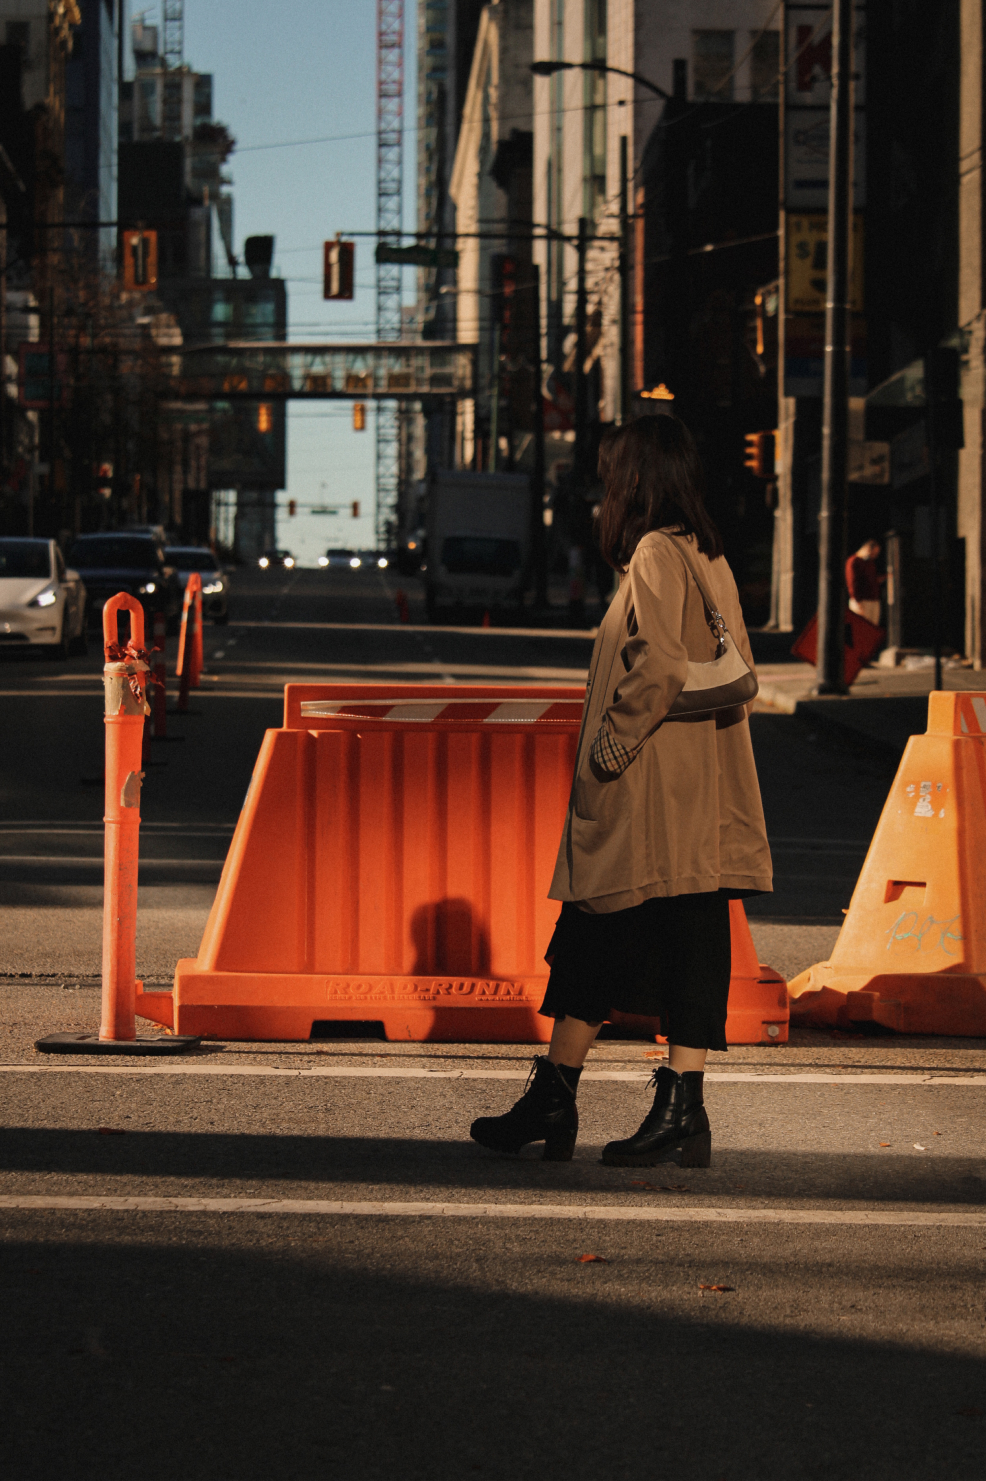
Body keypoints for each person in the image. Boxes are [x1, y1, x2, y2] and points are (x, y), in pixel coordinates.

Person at [470, 415, 772, 1168]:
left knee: (598, 921)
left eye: (611, 471)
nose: (604, 485)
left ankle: (566, 1095)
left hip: (652, 787)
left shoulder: (652, 553)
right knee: (679, 935)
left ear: (632, 479)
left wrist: (614, 741)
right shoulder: (710, 554)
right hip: (699, 788)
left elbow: (661, 665)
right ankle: (671, 1108)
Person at [845, 540, 884, 627]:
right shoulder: (854, 561)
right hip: (861, 601)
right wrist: (856, 600)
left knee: (873, 628)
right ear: (867, 549)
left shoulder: (870, 563)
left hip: (873, 600)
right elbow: (852, 582)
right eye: (873, 553)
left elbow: (872, 580)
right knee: (862, 627)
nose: (874, 556)